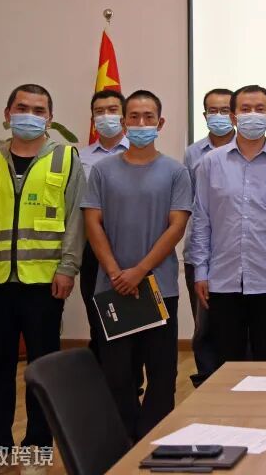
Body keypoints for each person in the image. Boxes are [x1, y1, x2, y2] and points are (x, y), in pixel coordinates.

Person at [0, 84, 83, 473]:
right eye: (22, 107)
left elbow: (75, 219)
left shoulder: (65, 158)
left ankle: (37, 450)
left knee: (41, 371)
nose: (30, 115)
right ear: (7, 113)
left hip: (43, 283)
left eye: (39, 109)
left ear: (50, 117)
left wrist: (67, 267)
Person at [82, 89, 193, 439]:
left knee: (162, 373)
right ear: (123, 121)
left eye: (148, 117)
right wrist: (116, 273)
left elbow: (176, 226)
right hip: (112, 288)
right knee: (117, 374)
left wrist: (139, 271)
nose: (141, 123)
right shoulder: (102, 171)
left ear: (160, 123)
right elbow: (92, 223)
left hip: (158, 289)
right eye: (134, 116)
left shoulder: (175, 172)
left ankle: (153, 440)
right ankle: (124, 442)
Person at [191, 85, 266, 364]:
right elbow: (201, 220)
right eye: (245, 109)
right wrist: (200, 271)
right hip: (222, 279)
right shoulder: (210, 162)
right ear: (233, 116)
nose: (252, 114)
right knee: (227, 363)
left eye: (259, 109)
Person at [182, 87, 235, 386]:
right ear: (204, 115)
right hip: (201, 255)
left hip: (238, 254)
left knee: (239, 327)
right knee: (204, 327)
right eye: (212, 111)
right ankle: (207, 384)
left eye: (225, 110)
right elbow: (192, 205)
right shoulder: (193, 153)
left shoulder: (253, 150)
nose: (219, 116)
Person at [78, 89, 129, 363]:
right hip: (93, 250)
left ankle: (131, 379)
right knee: (98, 319)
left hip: (131, 250)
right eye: (99, 112)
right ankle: (102, 377)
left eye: (112, 110)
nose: (106, 116)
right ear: (92, 119)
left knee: (133, 320)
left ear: (124, 117)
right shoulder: (79, 158)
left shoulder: (139, 153)